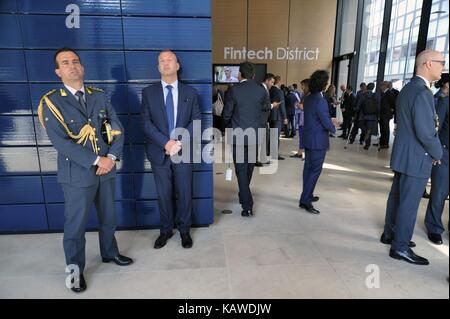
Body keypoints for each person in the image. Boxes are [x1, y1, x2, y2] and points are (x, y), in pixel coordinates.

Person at [37, 47, 133, 293]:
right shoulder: (51, 102)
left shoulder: (99, 96)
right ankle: (74, 271)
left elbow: (117, 128)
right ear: (58, 71)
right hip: (77, 174)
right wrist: (97, 161)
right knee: (75, 227)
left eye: (76, 61)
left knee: (109, 217)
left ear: (83, 67)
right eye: (66, 63)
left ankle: (110, 253)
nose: (72, 66)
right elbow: (61, 142)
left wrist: (111, 157)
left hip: (107, 169)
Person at [381, 50, 445, 265]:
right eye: (441, 62)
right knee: (409, 203)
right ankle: (400, 247)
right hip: (416, 157)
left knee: (397, 197)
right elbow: (426, 131)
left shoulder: (409, 88)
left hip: (404, 154)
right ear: (428, 64)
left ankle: (390, 233)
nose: (443, 67)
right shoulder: (423, 93)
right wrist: (438, 153)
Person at [141, 50, 202, 249]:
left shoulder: (190, 93)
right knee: (163, 194)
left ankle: (184, 231)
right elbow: (146, 123)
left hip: (183, 151)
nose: (166, 63)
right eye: (162, 61)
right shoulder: (148, 93)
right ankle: (166, 230)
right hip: (159, 152)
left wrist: (178, 142)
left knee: (185, 193)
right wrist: (166, 143)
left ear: (178, 65)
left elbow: (197, 120)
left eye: (170, 60)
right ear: (158, 67)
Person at [222, 62, 271, 217]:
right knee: (248, 168)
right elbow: (267, 109)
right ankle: (245, 195)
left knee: (241, 169)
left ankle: (247, 204)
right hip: (255, 135)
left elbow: (226, 114)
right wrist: (259, 124)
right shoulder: (261, 90)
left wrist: (228, 126)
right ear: (254, 75)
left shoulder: (233, 90)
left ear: (240, 74)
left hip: (237, 135)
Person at [298, 70, 338, 214]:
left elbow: (316, 117)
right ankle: (305, 200)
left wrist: (329, 122)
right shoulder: (320, 101)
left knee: (308, 169)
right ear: (322, 84)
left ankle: (307, 194)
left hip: (309, 138)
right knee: (315, 170)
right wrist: (334, 126)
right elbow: (325, 122)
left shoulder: (308, 98)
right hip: (317, 141)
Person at [424, 72, 449, 245]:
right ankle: (434, 227)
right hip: (445, 153)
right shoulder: (444, 101)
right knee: (439, 192)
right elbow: (436, 129)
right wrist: (436, 152)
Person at [256, 73, 280, 167]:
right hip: (260, 119)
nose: (272, 84)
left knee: (263, 140)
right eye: (272, 82)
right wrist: (271, 105)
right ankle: (256, 159)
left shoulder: (265, 89)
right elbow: (260, 105)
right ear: (267, 80)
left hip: (264, 119)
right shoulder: (261, 89)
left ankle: (263, 158)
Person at [268, 76, 288, 160]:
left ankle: (269, 151)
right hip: (277, 116)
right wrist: (285, 117)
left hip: (270, 115)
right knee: (275, 136)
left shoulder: (269, 90)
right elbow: (282, 105)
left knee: (271, 135)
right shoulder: (279, 91)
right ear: (279, 81)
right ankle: (274, 154)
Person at [291, 79, 308, 160]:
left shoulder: (308, 95)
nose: (301, 86)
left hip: (305, 120)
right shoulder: (303, 94)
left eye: (302, 85)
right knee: (301, 136)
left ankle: (302, 153)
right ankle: (300, 152)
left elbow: (303, 107)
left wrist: (298, 104)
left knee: (303, 137)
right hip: (302, 119)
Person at [360, 82, 378, 150]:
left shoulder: (363, 95)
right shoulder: (376, 95)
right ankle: (367, 144)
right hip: (372, 116)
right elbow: (378, 107)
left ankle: (366, 142)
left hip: (364, 116)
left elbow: (359, 105)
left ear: (367, 87)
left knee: (363, 127)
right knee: (369, 130)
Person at [378, 81, 396, 149]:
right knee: (382, 128)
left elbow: (393, 104)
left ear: (385, 86)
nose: (380, 87)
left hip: (386, 114)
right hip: (382, 113)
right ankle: (382, 142)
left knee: (385, 128)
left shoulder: (390, 93)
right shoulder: (383, 93)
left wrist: (391, 113)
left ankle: (385, 143)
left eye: (381, 85)